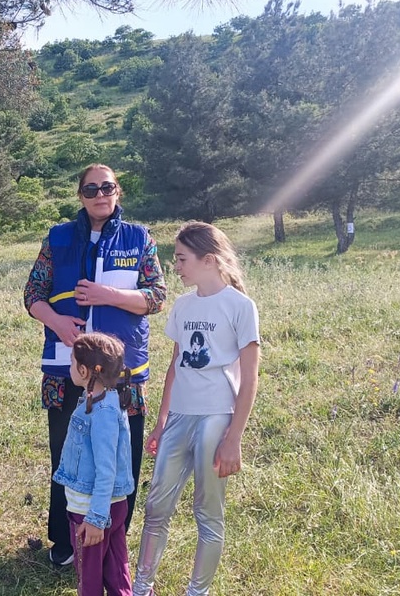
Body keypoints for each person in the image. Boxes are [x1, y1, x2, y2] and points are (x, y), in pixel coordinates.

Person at [24, 163, 166, 567]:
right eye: (91, 189)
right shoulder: (58, 238)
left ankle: (111, 537)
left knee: (122, 455)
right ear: (80, 195)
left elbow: (156, 296)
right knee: (68, 456)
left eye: (107, 187)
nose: (100, 194)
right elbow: (32, 292)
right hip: (67, 370)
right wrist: (56, 322)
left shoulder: (139, 238)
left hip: (121, 372)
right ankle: (66, 539)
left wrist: (108, 295)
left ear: (117, 190)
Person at [131, 222, 261, 596]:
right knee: (156, 507)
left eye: (183, 258)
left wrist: (233, 437)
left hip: (216, 417)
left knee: (207, 513)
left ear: (209, 260)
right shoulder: (184, 305)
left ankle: (197, 591)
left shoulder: (240, 306)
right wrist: (161, 422)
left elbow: (250, 378)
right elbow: (176, 366)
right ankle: (142, 587)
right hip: (180, 417)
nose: (177, 266)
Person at [53, 332, 135, 596]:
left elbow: (106, 468)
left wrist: (96, 519)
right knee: (116, 569)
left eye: (71, 362)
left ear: (84, 370)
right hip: (110, 505)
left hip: (91, 509)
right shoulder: (101, 401)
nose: (69, 367)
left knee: (89, 578)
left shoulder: (102, 414)